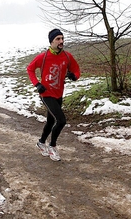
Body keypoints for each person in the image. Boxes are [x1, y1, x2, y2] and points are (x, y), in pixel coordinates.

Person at [27, 28, 80, 161]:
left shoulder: (67, 56)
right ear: (51, 42)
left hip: (58, 94)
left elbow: (76, 70)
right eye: (58, 39)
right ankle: (52, 146)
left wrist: (73, 76)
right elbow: (30, 69)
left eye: (62, 38)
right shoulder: (43, 57)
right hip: (46, 94)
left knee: (51, 121)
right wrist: (37, 84)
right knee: (61, 120)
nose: (61, 41)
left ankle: (41, 142)